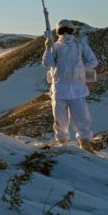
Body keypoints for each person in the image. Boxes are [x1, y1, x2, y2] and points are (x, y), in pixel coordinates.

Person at [41, 18, 99, 148]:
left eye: (68, 30)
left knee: (82, 118)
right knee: (60, 120)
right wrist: (48, 48)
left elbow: (93, 61)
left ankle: (85, 142)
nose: (65, 33)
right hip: (60, 88)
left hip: (77, 88)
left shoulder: (80, 45)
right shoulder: (54, 46)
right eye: (62, 30)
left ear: (72, 31)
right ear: (59, 32)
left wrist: (80, 70)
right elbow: (47, 63)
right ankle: (62, 143)